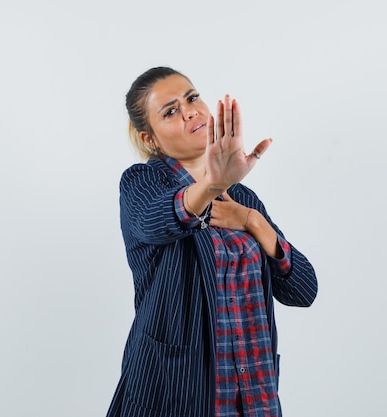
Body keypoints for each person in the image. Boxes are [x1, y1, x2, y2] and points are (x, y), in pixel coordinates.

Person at [106, 66, 318, 417]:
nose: (189, 110)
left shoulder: (243, 199)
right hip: (173, 393)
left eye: (192, 98)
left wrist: (254, 222)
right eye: (171, 111)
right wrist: (212, 185)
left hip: (252, 394)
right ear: (150, 139)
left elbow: (303, 290)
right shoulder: (141, 182)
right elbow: (158, 221)